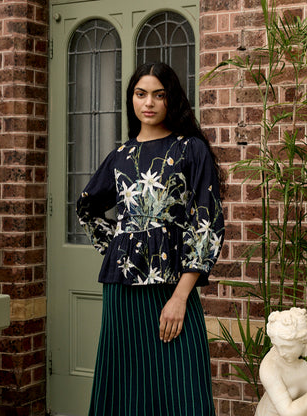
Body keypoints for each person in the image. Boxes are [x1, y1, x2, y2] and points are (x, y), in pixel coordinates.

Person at [77, 62, 224, 416]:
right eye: (141, 94)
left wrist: (180, 296)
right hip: (123, 290)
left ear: (171, 99)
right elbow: (87, 207)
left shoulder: (191, 149)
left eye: (159, 95)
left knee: (184, 387)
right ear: (132, 99)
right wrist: (119, 247)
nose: (149, 103)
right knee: (125, 387)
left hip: (172, 287)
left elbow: (207, 221)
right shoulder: (120, 157)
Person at [255, 308, 307, 416]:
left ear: (303, 340)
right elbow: (288, 413)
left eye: (287, 347)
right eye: (276, 346)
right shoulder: (269, 366)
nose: (281, 353)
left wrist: (299, 411)